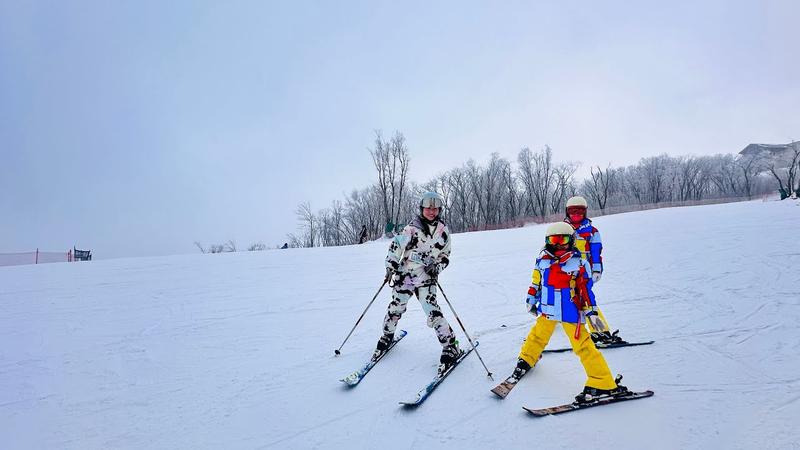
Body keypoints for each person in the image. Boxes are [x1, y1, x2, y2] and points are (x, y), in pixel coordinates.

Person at [507, 222, 628, 402]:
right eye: (554, 241)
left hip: (570, 312)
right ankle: (527, 358)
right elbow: (536, 283)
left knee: (584, 346)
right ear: (547, 241)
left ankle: (602, 381)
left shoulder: (579, 263)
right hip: (547, 309)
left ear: (571, 240)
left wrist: (592, 312)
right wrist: (531, 300)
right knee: (537, 336)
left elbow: (585, 291)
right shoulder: (542, 261)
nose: (558, 245)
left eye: (562, 240)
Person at [373, 192, 461, 375]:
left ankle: (450, 345)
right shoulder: (411, 228)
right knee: (395, 308)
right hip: (405, 276)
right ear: (422, 209)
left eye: (435, 209)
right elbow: (396, 247)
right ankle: (387, 335)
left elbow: (445, 255)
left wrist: (437, 266)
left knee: (433, 311)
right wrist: (390, 265)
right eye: (428, 208)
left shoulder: (443, 231)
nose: (432, 211)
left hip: (426, 278)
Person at [563, 196, 623, 345]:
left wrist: (597, 269)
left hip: (584, 272)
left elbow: (596, 251)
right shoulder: (563, 229)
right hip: (566, 272)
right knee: (563, 298)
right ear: (567, 212)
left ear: (585, 212)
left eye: (580, 211)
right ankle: (545, 330)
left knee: (586, 299)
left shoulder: (591, 231)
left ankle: (601, 332)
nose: (576, 215)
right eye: (572, 211)